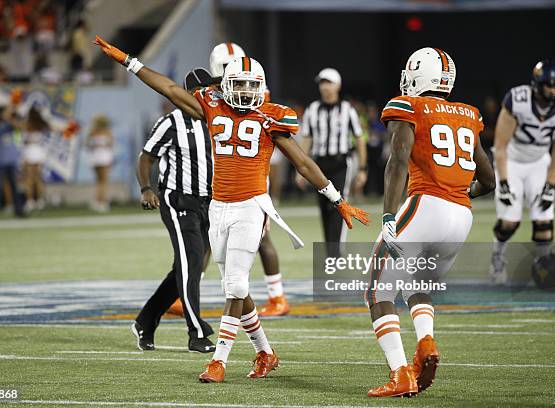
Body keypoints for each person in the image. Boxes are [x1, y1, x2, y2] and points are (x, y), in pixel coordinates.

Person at [95, 36, 369, 383]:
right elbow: (166, 87)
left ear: (261, 87)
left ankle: (218, 361)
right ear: (224, 85)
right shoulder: (212, 106)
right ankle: (265, 352)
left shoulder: (271, 117)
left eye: (249, 85)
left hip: (251, 206)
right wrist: (128, 60)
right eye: (236, 84)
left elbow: (303, 162)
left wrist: (337, 198)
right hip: (218, 206)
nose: (243, 91)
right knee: (236, 287)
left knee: (235, 285)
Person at [364, 48, 495, 397]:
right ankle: (425, 342)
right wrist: (457, 193)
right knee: (416, 284)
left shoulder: (410, 105)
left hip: (425, 205)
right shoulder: (469, 114)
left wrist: (390, 215)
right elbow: (490, 180)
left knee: (377, 291)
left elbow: (397, 161)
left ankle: (400, 374)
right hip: (461, 215)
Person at [132, 69, 216, 354]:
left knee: (185, 266)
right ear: (189, 93)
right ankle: (196, 333)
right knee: (192, 262)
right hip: (178, 201)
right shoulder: (171, 123)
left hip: (209, 202)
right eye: (205, 90)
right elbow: (146, 158)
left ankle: (145, 320)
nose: (211, 95)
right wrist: (146, 188)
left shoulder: (216, 121)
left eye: (213, 90)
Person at [209, 42, 289, 316]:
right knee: (214, 237)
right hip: (224, 175)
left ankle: (277, 296)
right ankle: (188, 292)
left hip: (251, 177)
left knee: (262, 239)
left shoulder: (248, 96)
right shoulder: (214, 96)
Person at [490, 60, 555, 284]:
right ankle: (497, 256)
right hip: (511, 161)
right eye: (549, 85)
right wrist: (503, 182)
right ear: (537, 84)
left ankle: (543, 267)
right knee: (509, 222)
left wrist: (550, 185)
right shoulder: (518, 100)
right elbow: (500, 146)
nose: (553, 90)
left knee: (544, 223)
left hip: (540, 162)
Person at [296, 68, 368, 258]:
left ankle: (335, 253)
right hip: (319, 164)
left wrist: (362, 169)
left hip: (340, 163)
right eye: (322, 83)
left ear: (338, 85)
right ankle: (331, 252)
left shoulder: (348, 110)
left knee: (337, 205)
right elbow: (306, 139)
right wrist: (300, 169)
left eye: (328, 82)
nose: (324, 87)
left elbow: (359, 139)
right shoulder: (312, 109)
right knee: (323, 208)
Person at [86, 115, 114, 212]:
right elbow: (111, 144)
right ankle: (101, 201)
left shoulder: (92, 133)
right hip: (103, 158)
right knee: (103, 181)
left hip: (96, 158)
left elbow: (87, 145)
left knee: (99, 181)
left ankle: (98, 200)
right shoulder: (106, 133)